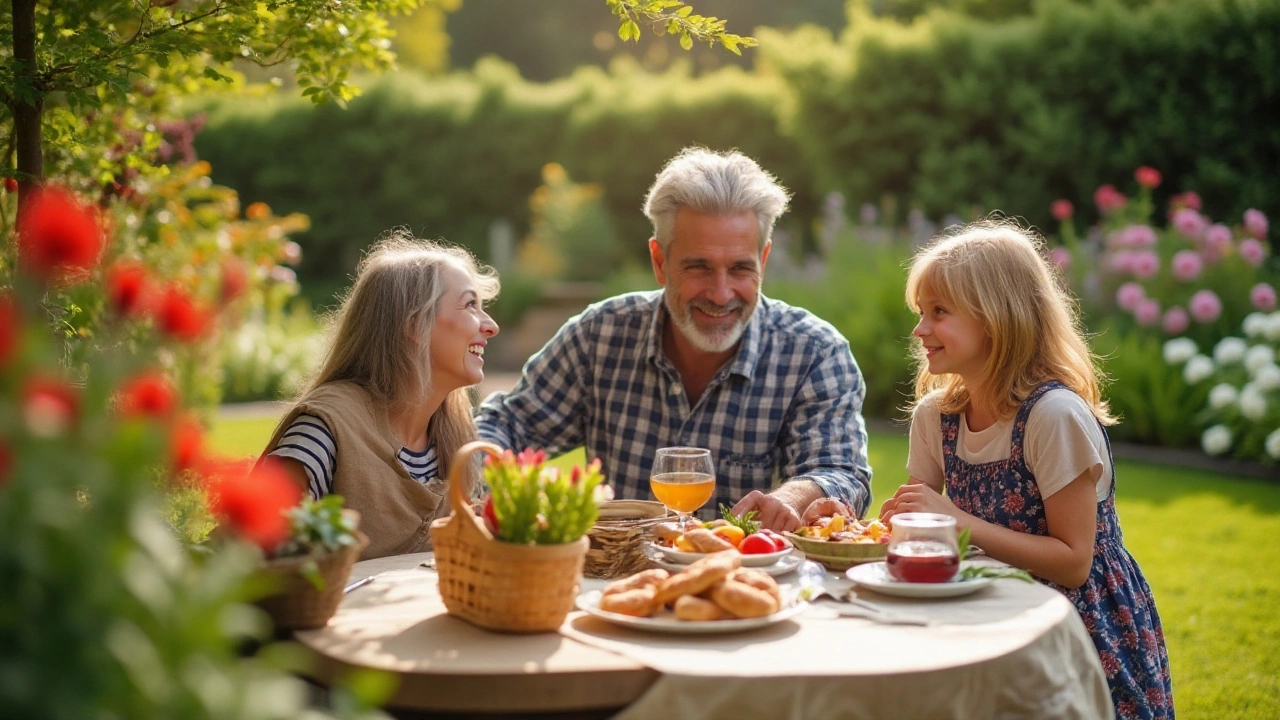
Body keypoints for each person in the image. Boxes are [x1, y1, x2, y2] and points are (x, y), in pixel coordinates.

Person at [475, 147, 872, 531]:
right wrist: (486, 484)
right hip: (613, 581)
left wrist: (794, 496)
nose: (720, 293)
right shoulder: (599, 335)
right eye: (698, 267)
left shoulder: (814, 352)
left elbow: (841, 473)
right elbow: (508, 424)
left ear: (763, 261)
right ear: (660, 262)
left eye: (739, 268)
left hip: (746, 583)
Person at [879, 222, 1173, 719]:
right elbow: (922, 527)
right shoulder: (936, 416)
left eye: (939, 312)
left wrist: (955, 521)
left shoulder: (1053, 416)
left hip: (1074, 625)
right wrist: (869, 524)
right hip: (983, 608)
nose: (919, 329)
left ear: (995, 319)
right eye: (920, 313)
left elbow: (1074, 561)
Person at [260, 233, 499, 559]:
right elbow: (256, 554)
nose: (491, 326)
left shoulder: (456, 432)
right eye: (471, 305)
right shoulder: (325, 429)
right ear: (416, 325)